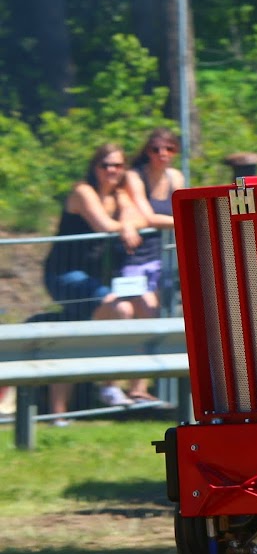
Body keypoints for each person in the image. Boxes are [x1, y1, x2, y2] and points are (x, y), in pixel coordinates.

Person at [42, 143, 153, 415]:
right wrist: (127, 224)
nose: (112, 171)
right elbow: (103, 225)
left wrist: (127, 219)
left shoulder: (118, 195)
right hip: (66, 275)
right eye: (105, 165)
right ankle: (109, 384)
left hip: (97, 280)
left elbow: (139, 216)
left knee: (142, 305)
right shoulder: (83, 191)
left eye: (117, 165)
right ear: (95, 168)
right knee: (121, 309)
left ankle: (129, 388)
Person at [114, 127, 186, 402]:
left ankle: (147, 387)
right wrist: (183, 220)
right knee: (145, 310)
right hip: (136, 256)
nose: (162, 155)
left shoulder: (175, 177)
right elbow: (147, 215)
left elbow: (182, 207)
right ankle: (136, 387)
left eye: (168, 149)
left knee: (163, 313)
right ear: (147, 151)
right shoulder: (135, 176)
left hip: (166, 256)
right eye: (156, 149)